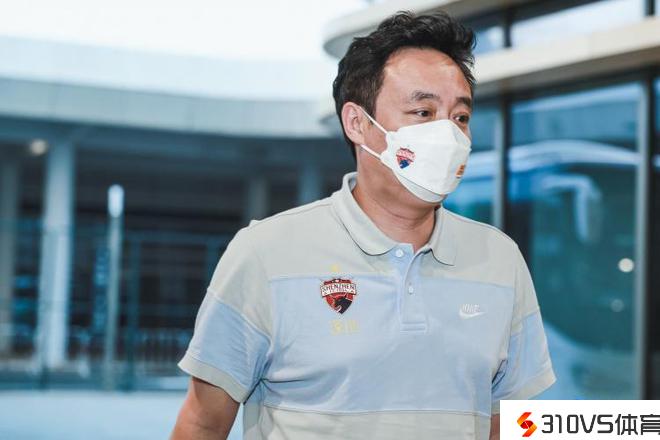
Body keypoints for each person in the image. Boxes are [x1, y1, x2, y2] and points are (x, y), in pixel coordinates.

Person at [170, 10, 556, 440]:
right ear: (357, 123)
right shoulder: (265, 252)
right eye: (423, 111)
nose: (448, 135)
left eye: (460, 117)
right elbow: (203, 423)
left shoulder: (500, 259)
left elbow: (510, 423)